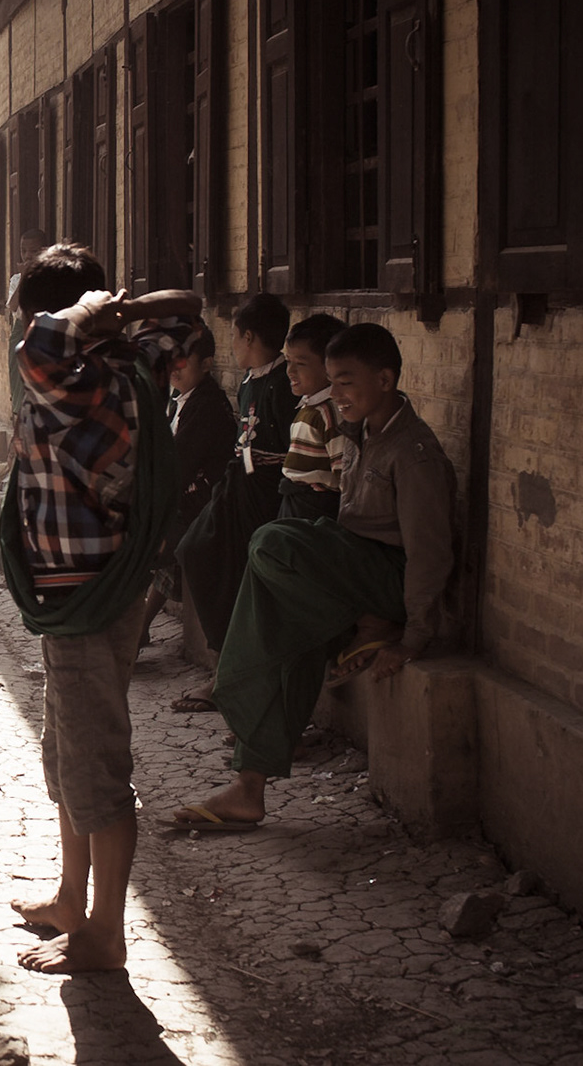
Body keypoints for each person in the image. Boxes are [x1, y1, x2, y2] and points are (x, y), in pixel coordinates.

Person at [0, 244, 208, 974]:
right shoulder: (133, 364)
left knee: (95, 769)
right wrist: (116, 313)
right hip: (86, 593)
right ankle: (69, 898)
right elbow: (182, 313)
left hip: (89, 595)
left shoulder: (80, 382)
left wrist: (89, 315)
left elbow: (42, 344)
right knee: (67, 755)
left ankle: (104, 934)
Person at [170, 324, 457, 830]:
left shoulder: (413, 453)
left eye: (347, 382)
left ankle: (245, 682)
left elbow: (429, 554)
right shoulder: (361, 433)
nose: (337, 394)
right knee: (289, 637)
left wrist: (411, 636)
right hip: (351, 579)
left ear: (386, 379)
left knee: (272, 541)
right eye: (333, 382)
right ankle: (248, 788)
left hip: (384, 584)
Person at [170, 293, 298, 709]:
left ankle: (234, 675)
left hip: (264, 495)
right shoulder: (248, 381)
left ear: (247, 336)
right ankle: (222, 658)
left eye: (234, 338)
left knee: (241, 578)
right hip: (236, 487)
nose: (231, 347)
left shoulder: (283, 384)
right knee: (193, 550)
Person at [137, 321, 239, 650]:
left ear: (206, 364)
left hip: (205, 502)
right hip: (181, 498)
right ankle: (136, 622)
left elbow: (177, 466)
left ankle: (138, 624)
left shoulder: (207, 406)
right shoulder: (179, 400)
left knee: (159, 536)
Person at [278, 314, 352, 520]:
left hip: (316, 508)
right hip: (297, 501)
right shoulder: (310, 406)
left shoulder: (330, 412)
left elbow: (344, 476)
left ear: (330, 367)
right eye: (288, 361)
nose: (290, 371)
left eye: (300, 364)